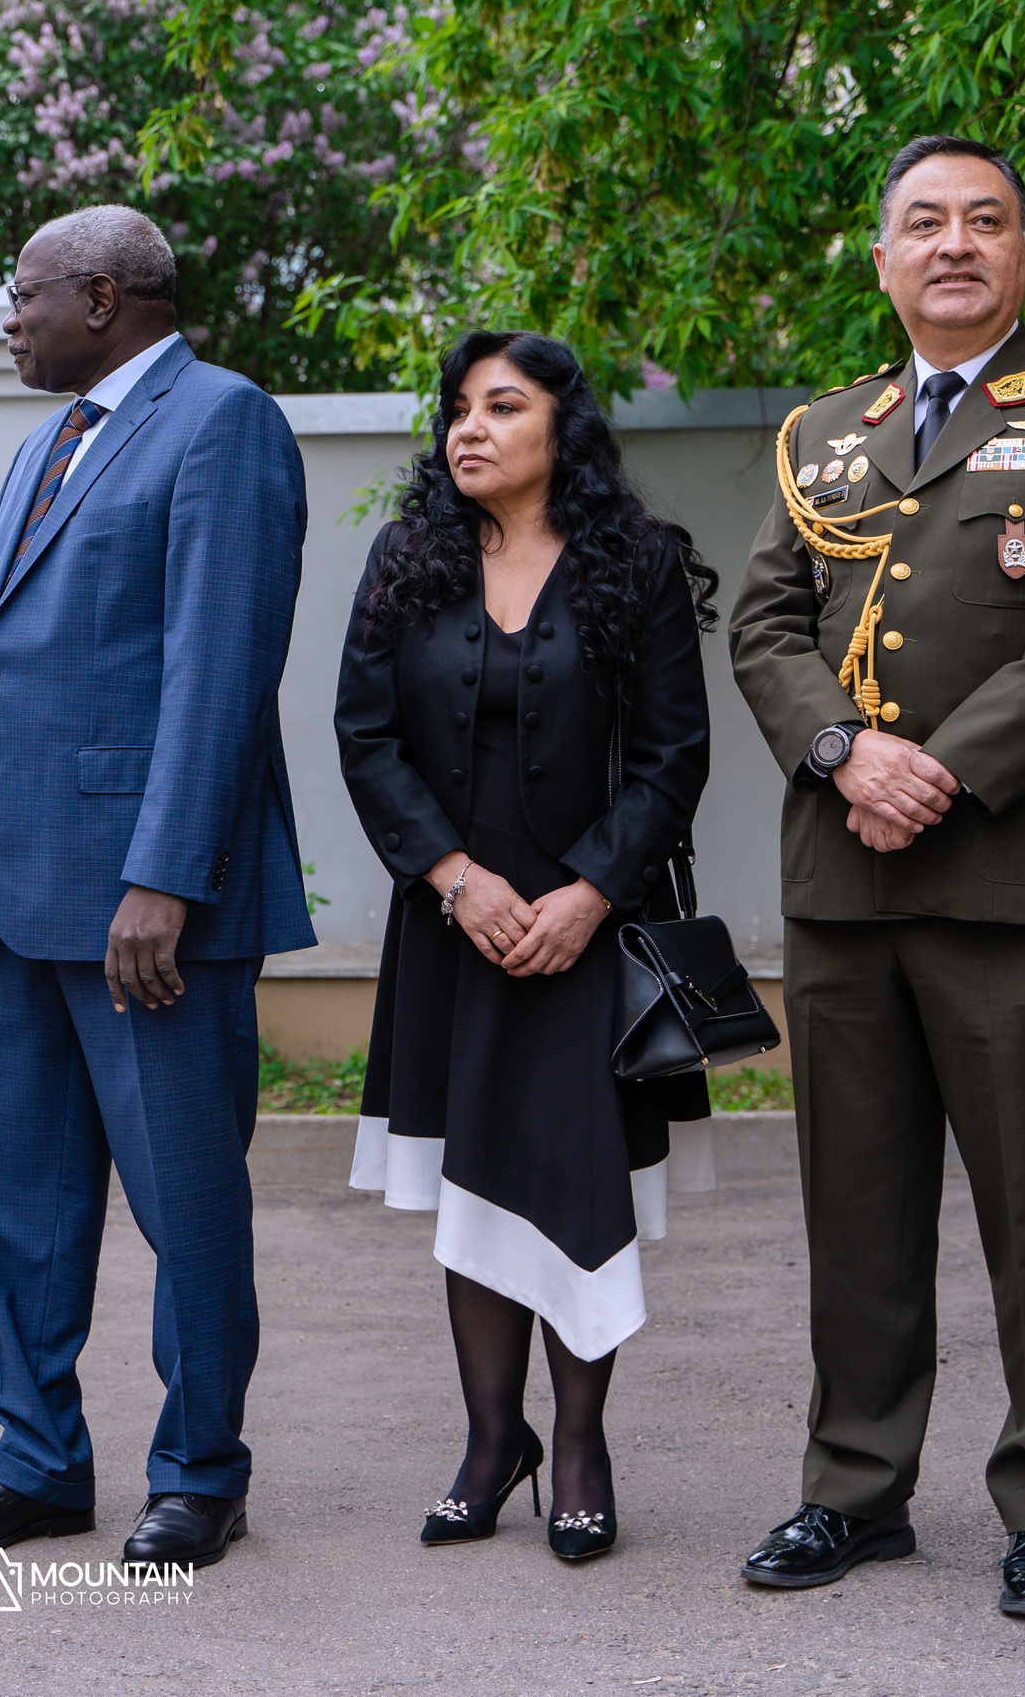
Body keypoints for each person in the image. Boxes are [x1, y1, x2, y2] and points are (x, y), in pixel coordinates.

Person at [727, 135, 1025, 1619]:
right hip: (842, 884)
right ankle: (855, 1489)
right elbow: (765, 628)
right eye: (923, 222)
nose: (954, 243)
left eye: (986, 220)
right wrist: (845, 753)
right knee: (853, 1206)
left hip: (1015, 880)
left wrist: (938, 770)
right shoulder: (819, 437)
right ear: (883, 258)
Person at [0, 205, 315, 1570]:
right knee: (18, 1199)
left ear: (98, 294)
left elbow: (219, 666)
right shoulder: (43, 444)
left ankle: (201, 1467)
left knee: (183, 1198)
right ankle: (36, 1457)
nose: (5, 318)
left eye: (20, 295)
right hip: (17, 896)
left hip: (150, 914)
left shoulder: (223, 421)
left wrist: (167, 875)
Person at [336, 331, 718, 1561]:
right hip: (456, 929)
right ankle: (492, 1444)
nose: (470, 428)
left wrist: (587, 894)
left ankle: (585, 1446)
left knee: (568, 1173)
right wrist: (453, 878)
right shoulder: (410, 558)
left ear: (566, 429)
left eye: (502, 406)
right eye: (456, 409)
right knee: (474, 1180)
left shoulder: (637, 563)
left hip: (583, 935)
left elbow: (673, 756)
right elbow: (365, 735)